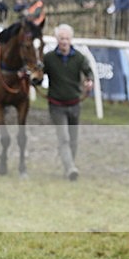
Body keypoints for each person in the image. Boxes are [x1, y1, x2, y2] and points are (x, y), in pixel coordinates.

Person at [43, 23, 95, 181]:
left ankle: (69, 166)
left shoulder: (79, 58)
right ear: (56, 39)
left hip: (74, 104)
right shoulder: (49, 58)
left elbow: (89, 72)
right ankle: (71, 168)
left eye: (66, 38)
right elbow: (38, 76)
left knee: (73, 139)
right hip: (56, 105)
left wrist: (89, 81)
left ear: (71, 39)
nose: (64, 42)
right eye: (61, 38)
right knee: (64, 137)